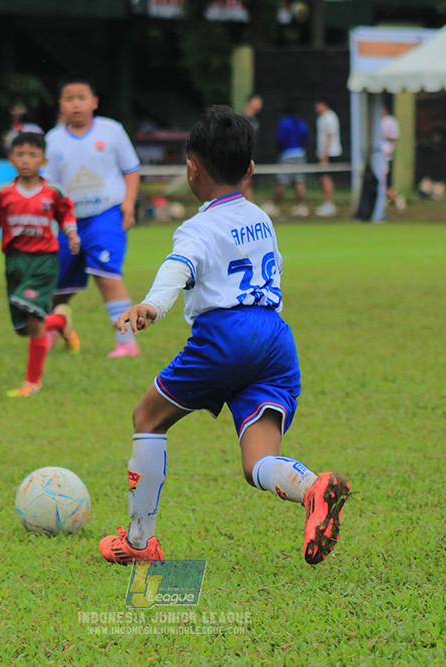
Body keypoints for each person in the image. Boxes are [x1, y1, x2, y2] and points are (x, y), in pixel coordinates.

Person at [98, 105, 350, 567]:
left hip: (226, 335)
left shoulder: (197, 228)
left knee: (147, 418)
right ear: (250, 170)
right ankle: (314, 487)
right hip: (275, 337)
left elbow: (179, 267)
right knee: (257, 462)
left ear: (192, 169)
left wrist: (152, 305)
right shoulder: (260, 217)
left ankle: (138, 541)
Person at [0, 132, 81, 397]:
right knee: (25, 328)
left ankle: (32, 382)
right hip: (15, 262)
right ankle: (60, 320)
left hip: (44, 262)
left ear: (43, 160)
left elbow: (66, 215)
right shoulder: (2, 193)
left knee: (33, 317)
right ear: (11, 159)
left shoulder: (54, 192)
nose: (26, 160)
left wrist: (72, 235)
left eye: (32, 154)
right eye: (20, 154)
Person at [44, 76, 143, 358]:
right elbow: (48, 184)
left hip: (107, 215)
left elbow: (131, 169)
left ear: (94, 102)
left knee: (107, 275)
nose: (76, 104)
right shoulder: (53, 140)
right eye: (69, 98)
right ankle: (55, 330)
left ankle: (126, 343)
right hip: (69, 221)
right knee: (59, 286)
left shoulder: (112, 131)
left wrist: (129, 202)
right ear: (61, 105)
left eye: (81, 98)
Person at [265, 105, 309, 218]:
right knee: (299, 180)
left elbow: (281, 138)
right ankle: (302, 206)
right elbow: (305, 137)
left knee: (282, 181)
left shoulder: (284, 122)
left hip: (287, 153)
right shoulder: (301, 122)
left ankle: (275, 205)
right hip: (300, 152)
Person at [314, 99, 341, 217]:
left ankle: (329, 204)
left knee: (326, 178)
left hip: (330, 153)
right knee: (323, 178)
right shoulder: (322, 118)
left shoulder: (330, 117)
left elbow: (330, 135)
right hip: (324, 153)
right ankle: (327, 203)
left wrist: (325, 154)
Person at [380, 105, 405, 212]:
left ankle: (394, 197)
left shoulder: (390, 121)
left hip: (385, 153)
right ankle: (389, 197)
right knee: (380, 179)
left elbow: (395, 137)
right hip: (378, 153)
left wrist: (390, 149)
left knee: (382, 179)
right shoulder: (379, 120)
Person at [241, 93, 262, 201]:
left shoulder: (255, 120)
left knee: (249, 183)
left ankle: (250, 209)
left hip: (253, 155)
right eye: (257, 102)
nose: (259, 105)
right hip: (244, 156)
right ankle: (227, 204)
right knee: (245, 182)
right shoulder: (243, 119)